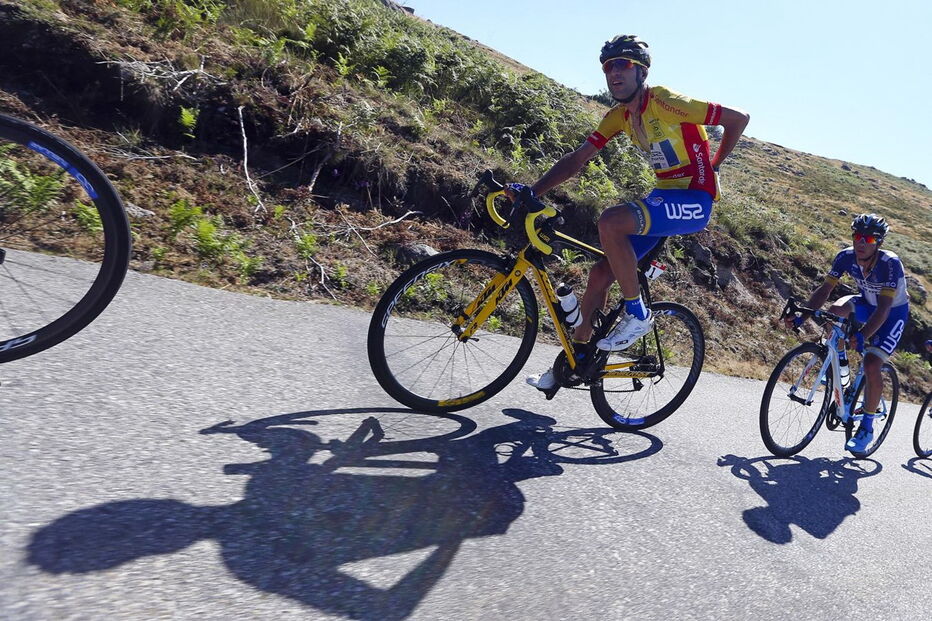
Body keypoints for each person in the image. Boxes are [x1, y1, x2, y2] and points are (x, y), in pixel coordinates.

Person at [510, 34, 750, 392]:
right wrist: (531, 191)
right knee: (600, 274)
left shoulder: (667, 101)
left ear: (641, 71)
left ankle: (637, 315)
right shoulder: (620, 116)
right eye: (608, 67)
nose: (613, 73)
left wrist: (715, 165)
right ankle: (573, 365)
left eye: (622, 65)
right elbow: (577, 159)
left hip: (694, 200)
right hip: (663, 199)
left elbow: (738, 119)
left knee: (611, 221)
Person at [786, 213, 910, 453]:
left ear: (879, 243)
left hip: (892, 313)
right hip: (865, 303)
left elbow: (884, 309)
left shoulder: (890, 264)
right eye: (857, 236)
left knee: (872, 364)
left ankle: (866, 428)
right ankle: (840, 373)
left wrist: (863, 334)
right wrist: (804, 315)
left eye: (869, 239)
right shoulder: (845, 256)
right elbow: (825, 290)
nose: (861, 243)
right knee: (834, 310)